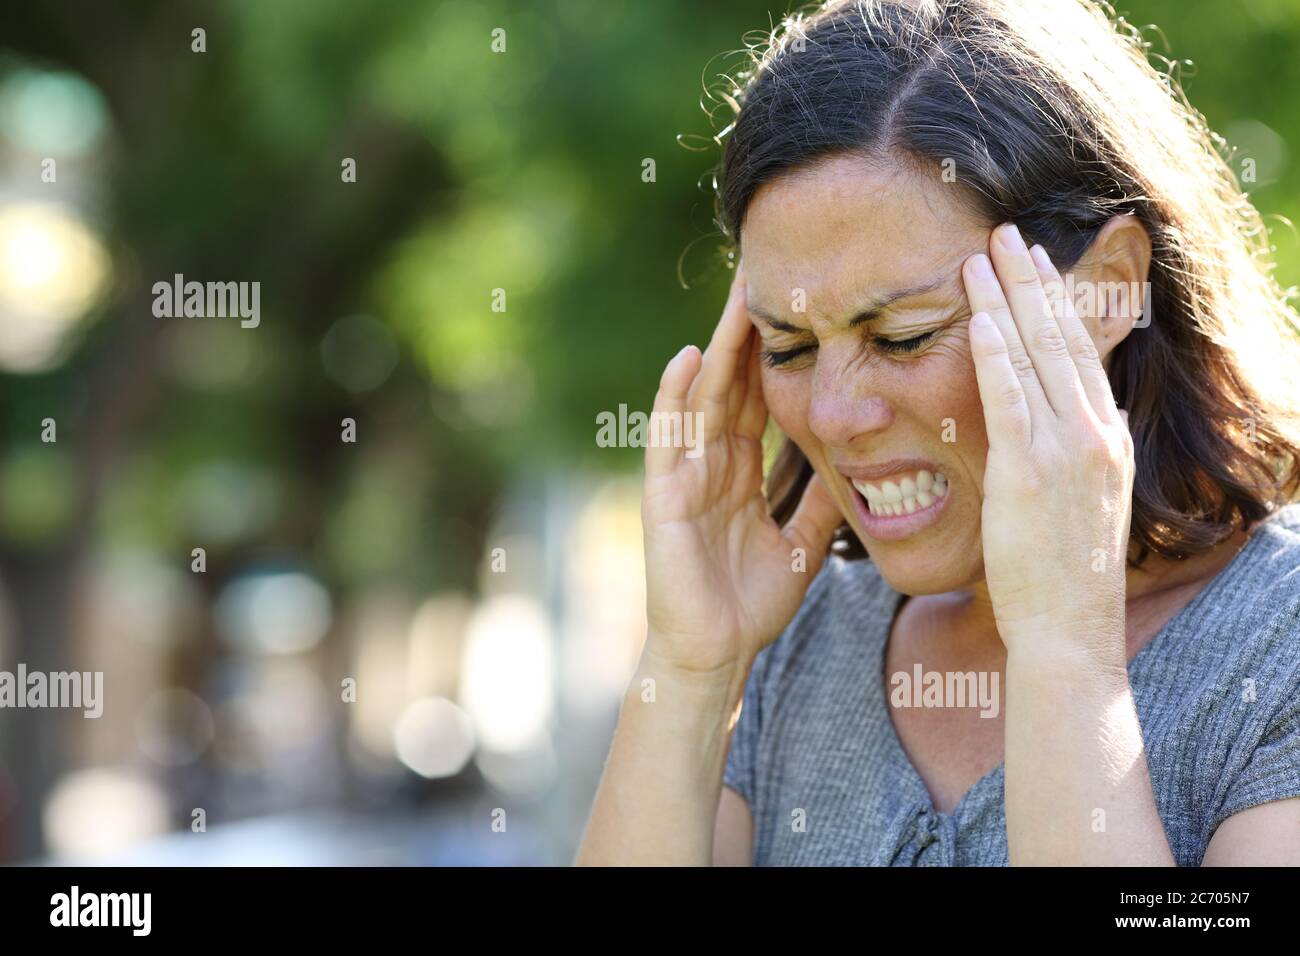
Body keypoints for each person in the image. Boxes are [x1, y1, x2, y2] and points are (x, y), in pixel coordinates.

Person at [576, 0, 1300, 865]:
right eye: (792, 346)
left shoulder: (1275, 647)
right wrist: (694, 670)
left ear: (1105, 288)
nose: (837, 416)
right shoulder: (799, 643)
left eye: (905, 336)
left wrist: (1064, 650)